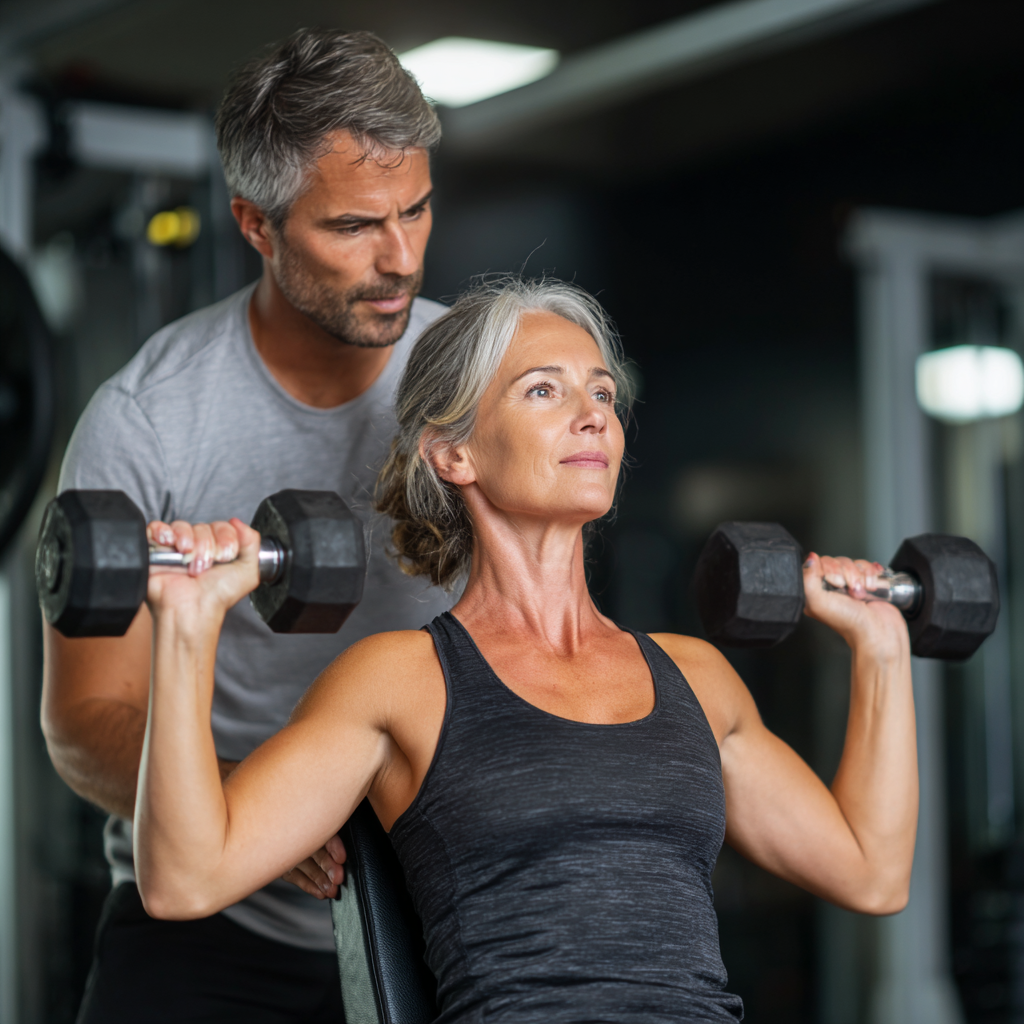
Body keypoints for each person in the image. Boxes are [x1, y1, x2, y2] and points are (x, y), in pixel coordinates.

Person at [133, 277, 919, 1024]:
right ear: (454, 454)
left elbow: (869, 869)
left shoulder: (698, 678)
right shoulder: (399, 681)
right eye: (545, 389)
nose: (593, 416)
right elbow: (186, 878)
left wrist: (881, 649)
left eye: (603, 393)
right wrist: (188, 625)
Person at [41, 28, 453, 1024]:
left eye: (418, 210)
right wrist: (252, 800)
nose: (398, 257)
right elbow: (84, 718)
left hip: (443, 899)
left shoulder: (474, 386)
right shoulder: (150, 419)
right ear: (256, 226)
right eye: (353, 226)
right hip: (209, 914)